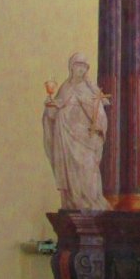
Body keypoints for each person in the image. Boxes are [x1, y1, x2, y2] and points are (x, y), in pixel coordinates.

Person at [42, 53, 109, 211]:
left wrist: (98, 125)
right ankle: (74, 201)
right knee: (70, 171)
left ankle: (91, 201)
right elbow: (53, 115)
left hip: (85, 136)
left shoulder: (89, 89)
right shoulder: (65, 88)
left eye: (84, 66)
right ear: (71, 67)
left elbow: (99, 111)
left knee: (88, 168)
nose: (81, 69)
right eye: (78, 65)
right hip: (66, 136)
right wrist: (50, 107)